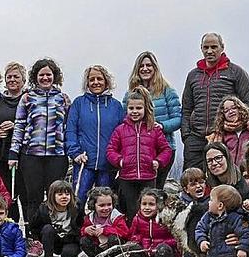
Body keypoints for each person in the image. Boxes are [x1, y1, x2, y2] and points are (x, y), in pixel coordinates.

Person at [8, 57, 71, 257]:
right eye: (41, 74)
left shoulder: (63, 99)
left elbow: (69, 127)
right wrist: (14, 152)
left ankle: (56, 237)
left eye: (49, 74)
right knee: (33, 198)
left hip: (57, 155)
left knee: (56, 198)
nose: (45, 77)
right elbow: (19, 125)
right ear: (36, 77)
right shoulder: (27, 98)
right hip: (31, 155)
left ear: (55, 77)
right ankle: (34, 240)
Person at [181, 33, 249, 171]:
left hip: (225, 137)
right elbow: (186, 108)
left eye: (214, 47)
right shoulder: (193, 75)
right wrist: (186, 136)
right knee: (193, 179)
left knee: (223, 181)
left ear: (222, 47)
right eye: (206, 47)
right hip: (196, 139)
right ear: (201, 48)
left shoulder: (236, 72)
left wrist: (234, 126)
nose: (209, 51)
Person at [106, 87, 172, 226]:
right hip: (127, 178)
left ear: (145, 109)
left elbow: (166, 149)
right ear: (127, 109)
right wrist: (120, 161)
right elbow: (111, 150)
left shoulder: (153, 129)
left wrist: (158, 162)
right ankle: (132, 238)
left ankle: (148, 236)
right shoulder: (120, 130)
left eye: (138, 108)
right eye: (131, 108)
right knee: (130, 210)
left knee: (148, 209)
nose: (135, 111)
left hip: (148, 178)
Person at [67, 64, 125, 209]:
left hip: (108, 164)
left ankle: (103, 230)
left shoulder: (116, 106)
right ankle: (76, 230)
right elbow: (70, 130)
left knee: (104, 203)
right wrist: (76, 153)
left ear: (106, 81)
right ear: (87, 83)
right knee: (77, 201)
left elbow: (122, 134)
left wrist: (117, 156)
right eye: (92, 79)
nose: (96, 82)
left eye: (99, 79)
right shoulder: (79, 103)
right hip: (84, 163)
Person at [126, 51, 182, 188]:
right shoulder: (131, 93)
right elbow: (124, 117)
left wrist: (162, 126)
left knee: (156, 189)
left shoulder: (167, 90)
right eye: (142, 65)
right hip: (139, 149)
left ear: (155, 68)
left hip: (164, 147)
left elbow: (178, 118)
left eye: (149, 65)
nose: (145, 68)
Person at [0, 62, 28, 222]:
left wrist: (17, 126)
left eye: (16, 76)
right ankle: (6, 228)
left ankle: (29, 235)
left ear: (24, 80)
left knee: (26, 197)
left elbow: (36, 126)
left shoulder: (29, 100)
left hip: (24, 156)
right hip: (0, 157)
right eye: (9, 77)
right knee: (6, 196)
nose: (12, 80)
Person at [29, 180, 82, 257]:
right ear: (52, 196)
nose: (64, 197)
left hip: (70, 239)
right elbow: (34, 226)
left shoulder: (76, 207)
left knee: (68, 253)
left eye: (67, 194)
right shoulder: (44, 209)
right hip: (52, 239)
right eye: (60, 194)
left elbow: (81, 224)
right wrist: (37, 240)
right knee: (47, 228)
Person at [128, 188, 179, 257]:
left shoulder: (165, 219)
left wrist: (160, 245)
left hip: (160, 255)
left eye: (151, 204)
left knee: (164, 249)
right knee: (131, 246)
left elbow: (176, 239)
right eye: (144, 204)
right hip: (146, 253)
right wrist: (139, 241)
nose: (147, 208)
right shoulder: (137, 219)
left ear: (159, 205)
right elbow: (132, 235)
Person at [79, 187, 130, 257]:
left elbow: (125, 232)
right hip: (99, 249)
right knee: (84, 240)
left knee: (114, 238)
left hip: (115, 251)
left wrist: (104, 230)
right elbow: (82, 230)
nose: (106, 208)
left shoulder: (116, 216)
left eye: (109, 204)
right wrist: (86, 230)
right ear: (93, 205)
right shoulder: (90, 217)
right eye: (102, 205)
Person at [206, 95, 249, 166]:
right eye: (226, 111)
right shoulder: (221, 134)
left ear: (240, 109)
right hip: (231, 172)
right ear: (222, 115)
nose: (231, 111)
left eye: (234, 108)